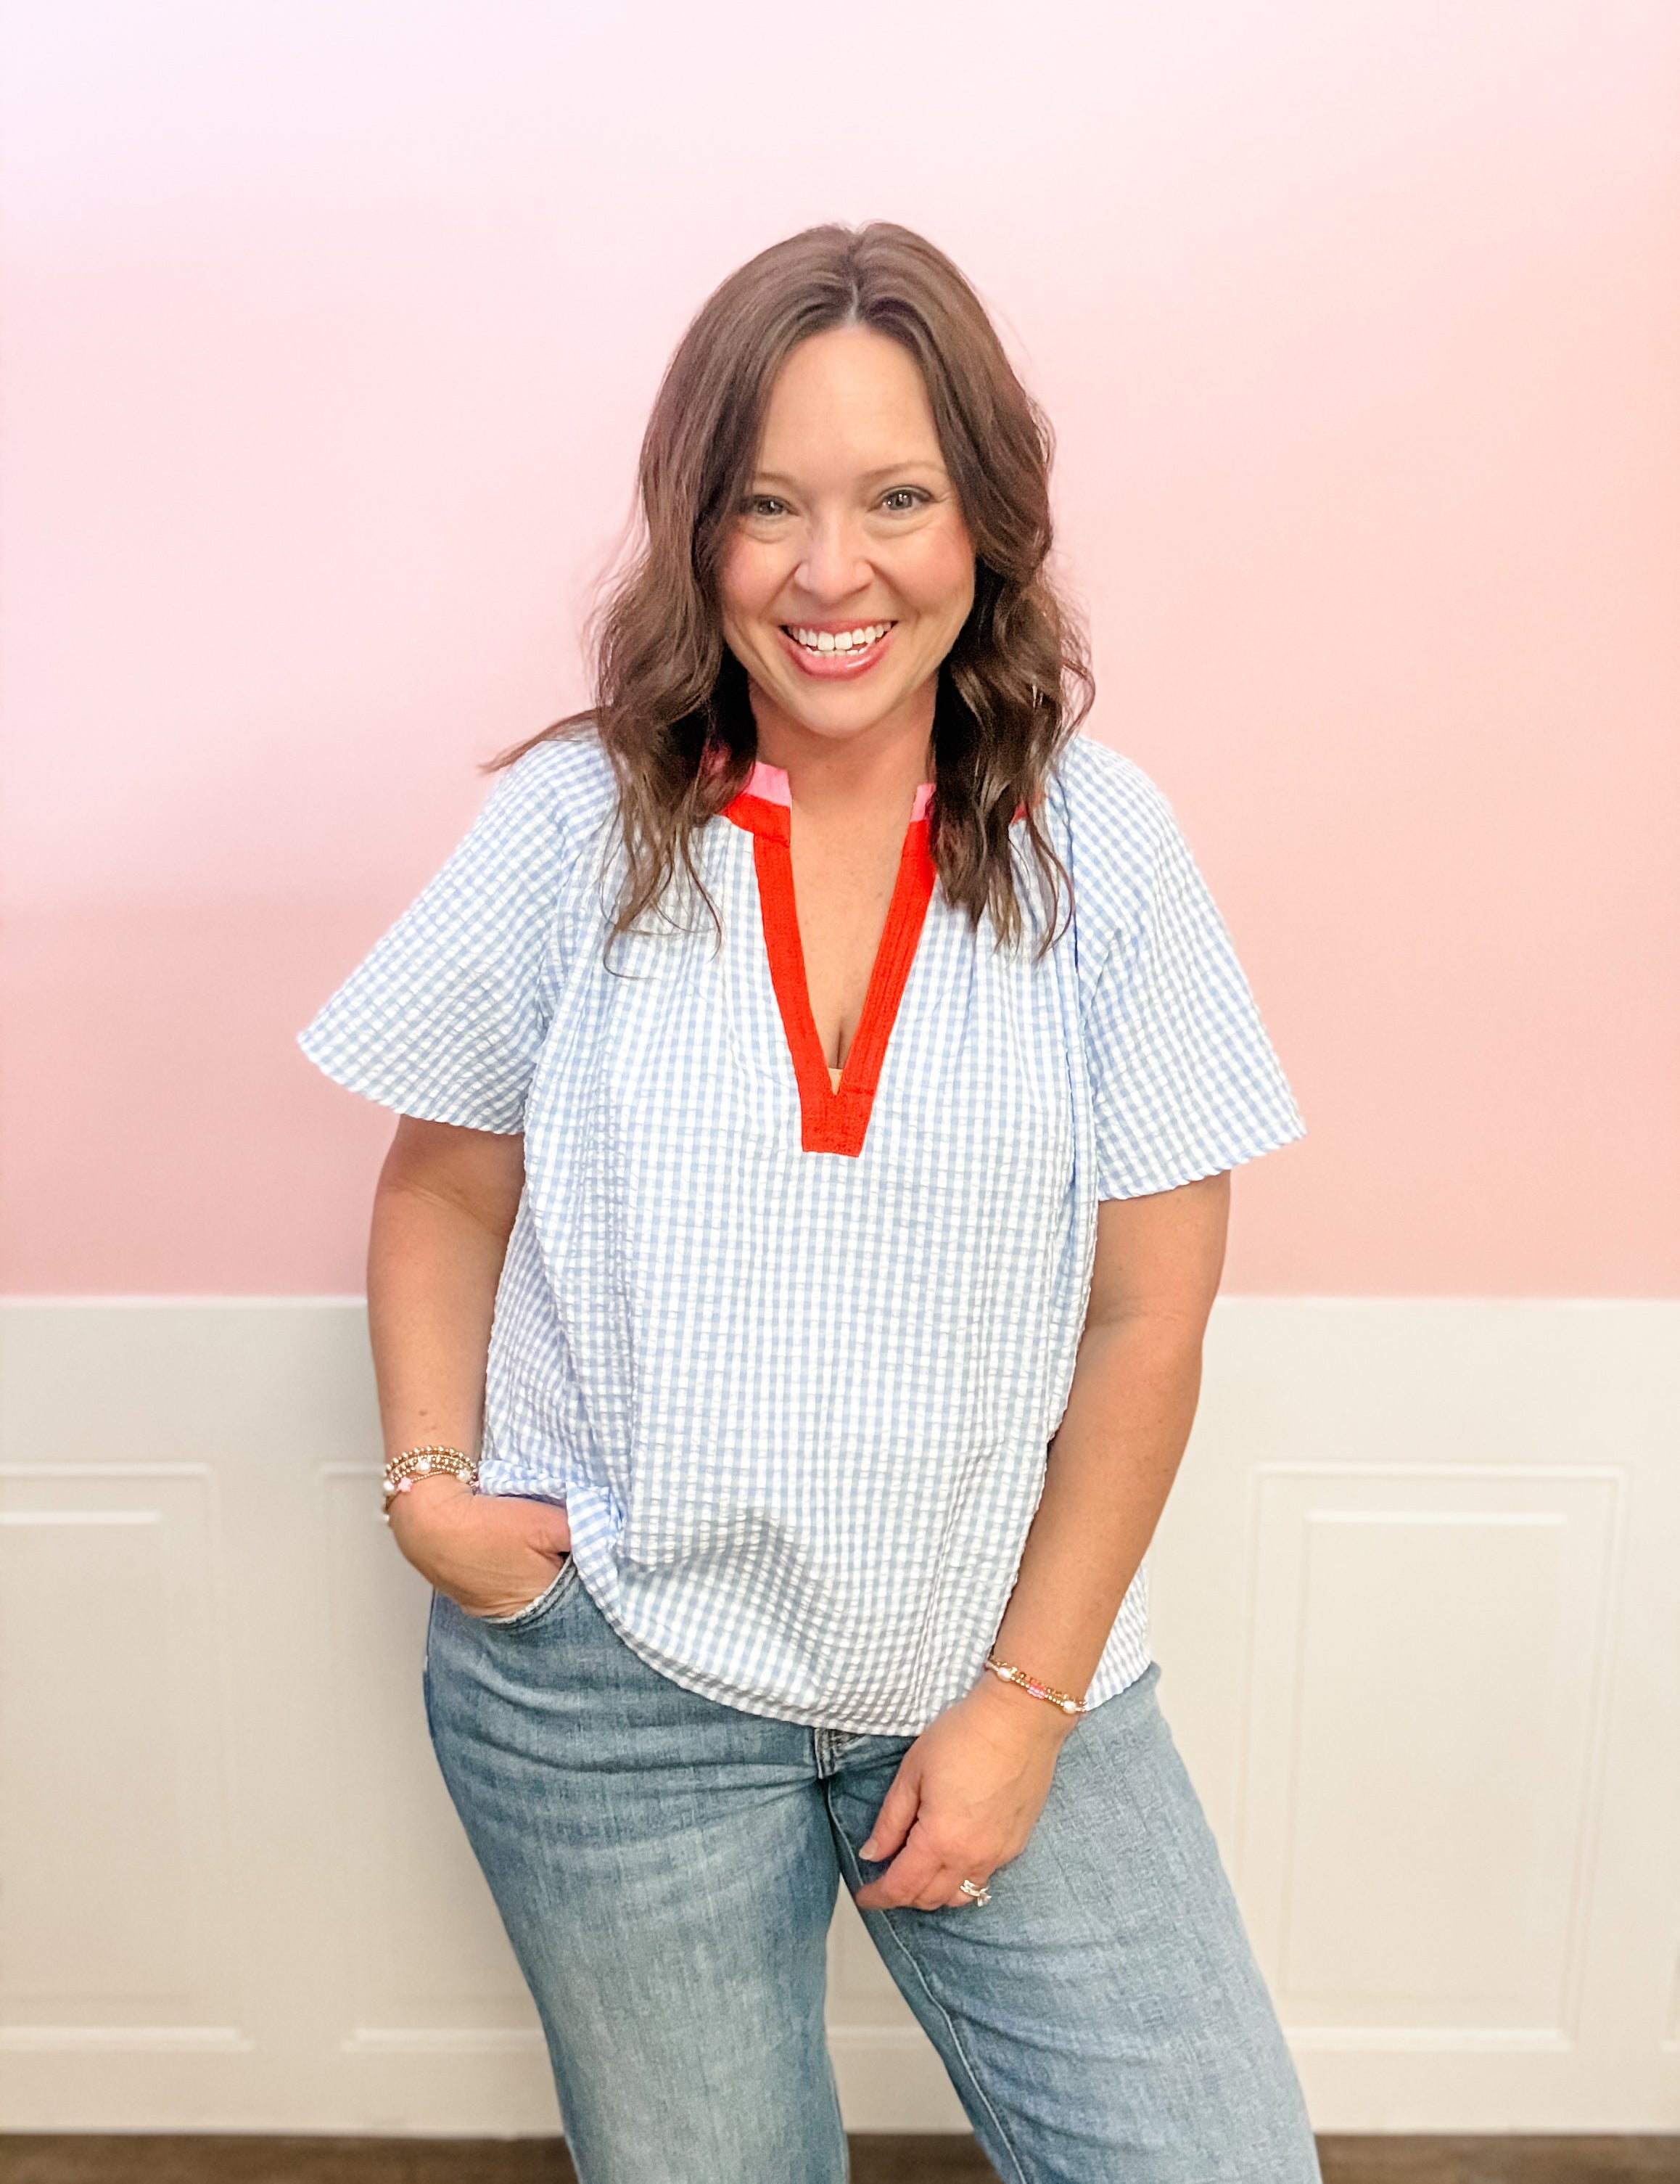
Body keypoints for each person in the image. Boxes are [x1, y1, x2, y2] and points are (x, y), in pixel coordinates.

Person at [300, 221, 1319, 2184]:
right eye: (764, 505)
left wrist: (1022, 1703)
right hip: (611, 1692)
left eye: (893, 499)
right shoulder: (571, 824)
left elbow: (1146, 1313)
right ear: (696, 530)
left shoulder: (1107, 842)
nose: (827, 571)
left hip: (993, 1655)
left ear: (989, 519)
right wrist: (429, 1483)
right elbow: (440, 1183)